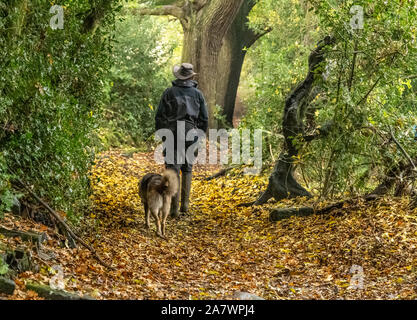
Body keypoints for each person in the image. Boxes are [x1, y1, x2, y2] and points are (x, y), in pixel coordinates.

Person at [155, 63, 209, 218]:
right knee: (187, 168)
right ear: (191, 76)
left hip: (172, 132)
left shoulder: (169, 93)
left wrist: (163, 135)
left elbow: (159, 116)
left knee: (173, 170)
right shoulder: (198, 94)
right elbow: (204, 119)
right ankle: (185, 206)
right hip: (192, 133)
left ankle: (173, 210)